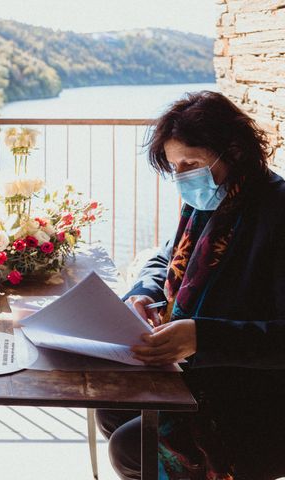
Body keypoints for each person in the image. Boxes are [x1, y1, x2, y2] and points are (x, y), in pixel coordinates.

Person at [97, 90, 285, 480]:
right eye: (175, 167)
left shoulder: (275, 213)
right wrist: (144, 292)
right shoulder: (209, 205)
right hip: (196, 373)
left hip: (255, 397)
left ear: (233, 150)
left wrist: (202, 337)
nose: (183, 178)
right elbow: (165, 256)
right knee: (110, 407)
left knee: (129, 447)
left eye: (192, 163)